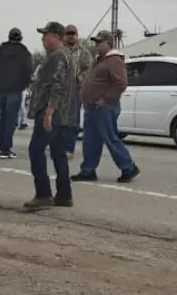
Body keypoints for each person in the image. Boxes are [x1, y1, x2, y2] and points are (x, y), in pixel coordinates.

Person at [73, 30, 139, 183]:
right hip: (91, 107)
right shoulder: (99, 60)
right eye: (95, 42)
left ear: (108, 43)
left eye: (99, 42)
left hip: (104, 107)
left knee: (110, 138)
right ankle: (88, 170)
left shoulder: (114, 60)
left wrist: (106, 99)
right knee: (90, 140)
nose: (96, 45)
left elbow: (120, 83)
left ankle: (128, 167)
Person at [24, 21, 76, 210]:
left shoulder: (58, 57)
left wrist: (49, 112)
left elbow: (58, 84)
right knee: (58, 154)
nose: (42, 39)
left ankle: (43, 194)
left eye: (45, 35)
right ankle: (64, 195)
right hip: (63, 114)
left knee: (35, 149)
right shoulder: (65, 56)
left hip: (53, 113)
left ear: (55, 36)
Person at [0, 27, 33, 159]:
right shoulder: (24, 52)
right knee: (11, 120)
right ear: (20, 37)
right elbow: (28, 70)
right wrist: (23, 85)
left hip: (1, 89)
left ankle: (0, 146)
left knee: (4, 118)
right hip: (15, 89)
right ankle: (5, 149)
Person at [62, 25, 93, 158]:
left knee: (72, 120)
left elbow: (89, 68)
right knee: (58, 119)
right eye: (68, 34)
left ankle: (69, 148)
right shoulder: (60, 50)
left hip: (75, 89)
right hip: (59, 89)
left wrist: (78, 79)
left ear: (77, 35)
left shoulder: (83, 51)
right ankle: (57, 145)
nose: (70, 36)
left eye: (73, 34)